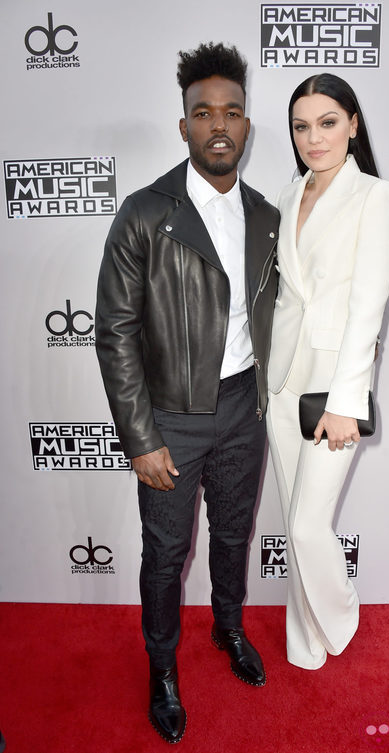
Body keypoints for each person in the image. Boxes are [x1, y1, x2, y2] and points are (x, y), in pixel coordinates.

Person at [95, 42, 279, 743]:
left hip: (243, 407)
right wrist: (140, 436)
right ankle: (162, 666)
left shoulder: (264, 214)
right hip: (171, 413)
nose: (219, 124)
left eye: (232, 111)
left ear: (247, 124)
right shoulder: (145, 214)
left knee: (233, 534)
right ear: (184, 127)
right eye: (204, 113)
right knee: (166, 554)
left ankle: (229, 626)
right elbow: (113, 332)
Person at [266, 73, 389, 670]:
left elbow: (368, 305)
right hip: (282, 379)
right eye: (301, 126)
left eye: (326, 122)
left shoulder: (375, 196)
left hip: (332, 387)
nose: (313, 138)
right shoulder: (289, 195)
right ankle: (305, 643)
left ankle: (341, 615)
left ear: (352, 124)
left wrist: (349, 400)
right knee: (293, 514)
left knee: (308, 525)